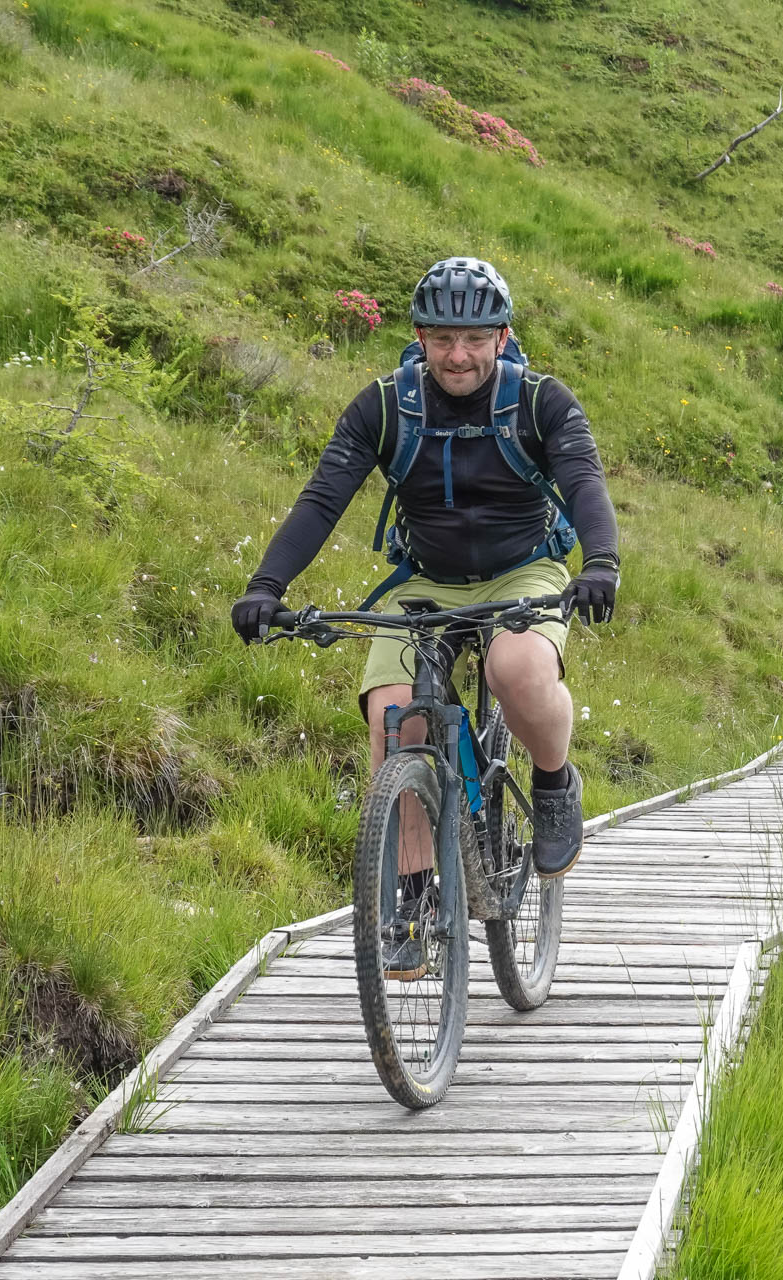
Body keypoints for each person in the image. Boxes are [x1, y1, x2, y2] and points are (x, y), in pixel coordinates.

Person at [231, 257, 620, 971]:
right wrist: (266, 585)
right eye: (442, 339)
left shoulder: (542, 402)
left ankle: (553, 781)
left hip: (524, 570)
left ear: (502, 337)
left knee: (517, 668)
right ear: (419, 337)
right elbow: (323, 498)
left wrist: (600, 565)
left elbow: (585, 482)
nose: (457, 355)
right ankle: (412, 900)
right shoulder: (385, 407)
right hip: (426, 583)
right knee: (395, 715)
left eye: (473, 339)